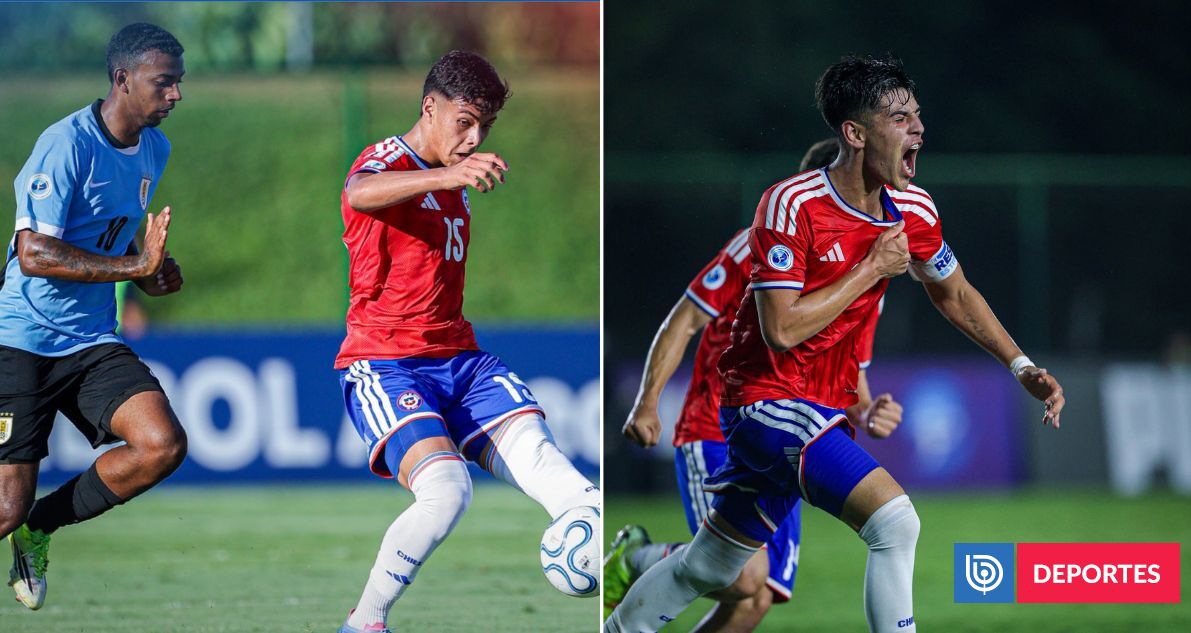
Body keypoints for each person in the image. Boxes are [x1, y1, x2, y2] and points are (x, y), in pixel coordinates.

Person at [605, 54, 1064, 633]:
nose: (919, 129)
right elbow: (781, 330)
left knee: (714, 567)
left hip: (815, 407)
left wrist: (1020, 365)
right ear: (855, 133)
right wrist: (872, 267)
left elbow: (954, 292)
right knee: (895, 521)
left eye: (917, 116)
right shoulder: (790, 205)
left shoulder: (914, 210)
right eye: (900, 118)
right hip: (761, 401)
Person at [334, 51, 601, 633]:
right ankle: (364, 624)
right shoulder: (391, 160)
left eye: (485, 126)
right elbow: (358, 192)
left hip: (462, 362)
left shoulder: (454, 177)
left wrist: (449, 176)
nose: (475, 139)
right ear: (429, 107)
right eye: (465, 122)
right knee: (447, 491)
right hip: (386, 362)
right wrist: (444, 176)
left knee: (581, 497)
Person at [605, 138, 903, 632]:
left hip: (792, 432)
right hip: (716, 426)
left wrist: (868, 410)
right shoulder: (759, 244)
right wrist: (647, 402)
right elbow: (684, 319)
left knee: (756, 598)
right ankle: (635, 558)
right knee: (744, 575)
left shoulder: (869, 276)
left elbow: (853, 375)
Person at [0, 23, 188, 610]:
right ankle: (21, 520)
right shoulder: (66, 144)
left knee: (162, 445)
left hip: (89, 339)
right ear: (123, 79)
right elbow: (34, 254)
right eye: (164, 82)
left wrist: (151, 273)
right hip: (21, 337)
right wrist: (134, 266)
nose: (176, 94)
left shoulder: (154, 148)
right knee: (5, 506)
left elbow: (115, 236)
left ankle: (39, 529)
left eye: (179, 82)